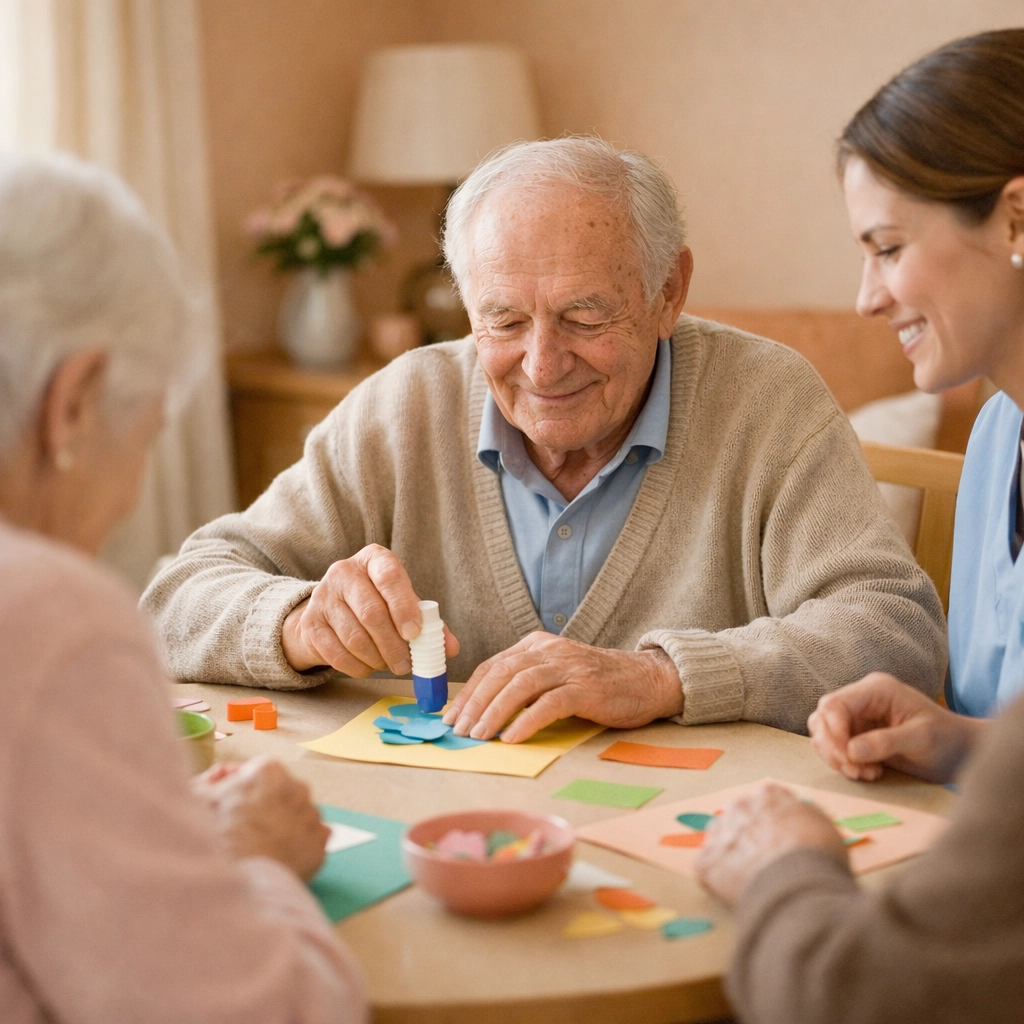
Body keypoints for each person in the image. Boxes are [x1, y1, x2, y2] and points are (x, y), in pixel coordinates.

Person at [143, 135, 945, 744]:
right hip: (455, 839)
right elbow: (176, 600)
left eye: (584, 317)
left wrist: (661, 676)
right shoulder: (407, 402)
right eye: (503, 320)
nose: (541, 363)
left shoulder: (768, 401)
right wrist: (298, 621)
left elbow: (895, 635)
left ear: (669, 292)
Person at [695, 29, 1024, 1024]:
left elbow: (859, 999)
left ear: (1016, 215)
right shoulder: (1002, 435)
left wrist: (785, 866)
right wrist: (964, 745)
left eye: (887, 248)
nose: (865, 295)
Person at [0, 153, 366, 1023]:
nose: (130, 492)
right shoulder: (46, 616)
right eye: (146, 433)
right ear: (75, 403)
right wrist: (255, 864)